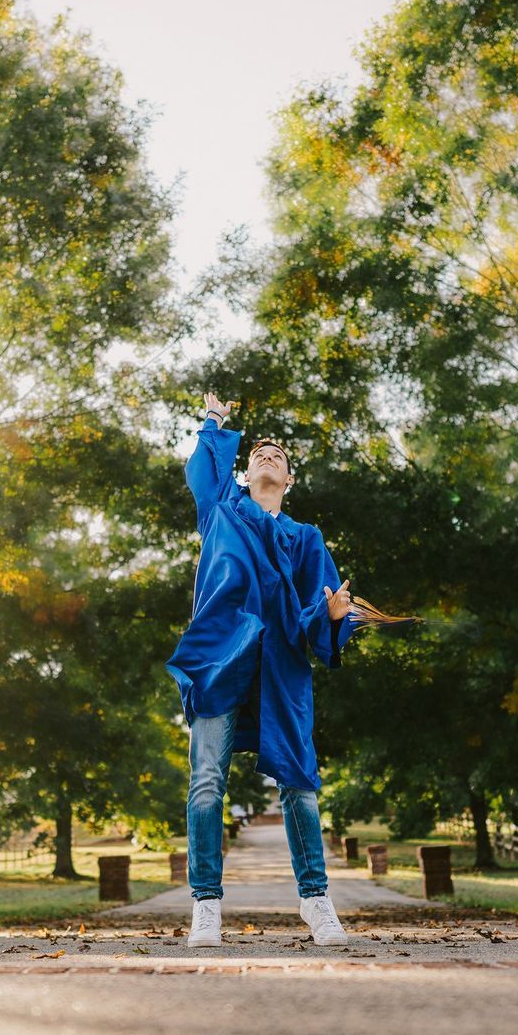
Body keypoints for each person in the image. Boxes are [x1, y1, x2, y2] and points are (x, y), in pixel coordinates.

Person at [164, 391, 370, 947]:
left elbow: (317, 609)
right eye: (258, 452)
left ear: (290, 479)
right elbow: (201, 472)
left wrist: (330, 615)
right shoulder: (221, 513)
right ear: (246, 470)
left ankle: (316, 901)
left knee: (300, 785)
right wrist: (214, 419)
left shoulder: (306, 539)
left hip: (280, 665)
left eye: (278, 454)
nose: (267, 455)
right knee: (207, 782)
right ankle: (205, 906)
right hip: (221, 658)